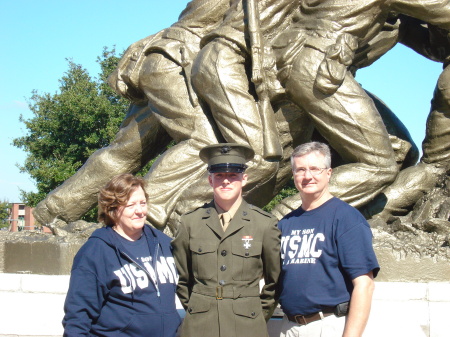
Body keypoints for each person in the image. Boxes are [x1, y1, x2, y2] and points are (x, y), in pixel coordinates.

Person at [171, 143, 281, 337]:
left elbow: (275, 281)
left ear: (244, 178)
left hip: (247, 326)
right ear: (210, 180)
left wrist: (255, 314)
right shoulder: (190, 223)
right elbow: (183, 280)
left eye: (233, 175)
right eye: (219, 176)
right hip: (200, 326)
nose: (226, 182)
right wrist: (199, 307)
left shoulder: (264, 224)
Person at [277, 142, 380, 337]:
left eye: (315, 169)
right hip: (289, 326)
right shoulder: (285, 224)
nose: (308, 176)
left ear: (329, 173)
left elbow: (364, 284)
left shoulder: (346, 218)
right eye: (300, 170)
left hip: (327, 325)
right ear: (293, 175)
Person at [62, 173, 180, 336]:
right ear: (112, 209)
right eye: (131, 205)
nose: (139, 211)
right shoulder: (95, 252)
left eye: (143, 203)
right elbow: (78, 317)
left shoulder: (164, 244)